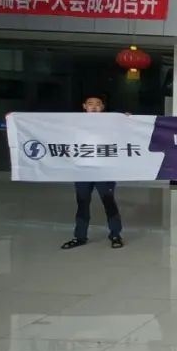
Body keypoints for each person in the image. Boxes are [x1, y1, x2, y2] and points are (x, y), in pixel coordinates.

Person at [61, 94, 123, 250]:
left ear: (102, 107)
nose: (94, 107)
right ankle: (80, 236)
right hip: (82, 170)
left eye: (98, 104)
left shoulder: (112, 123)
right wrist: (16, 119)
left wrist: (128, 119)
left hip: (104, 170)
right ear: (84, 106)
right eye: (90, 104)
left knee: (109, 202)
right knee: (82, 203)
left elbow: (129, 131)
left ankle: (115, 234)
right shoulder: (75, 123)